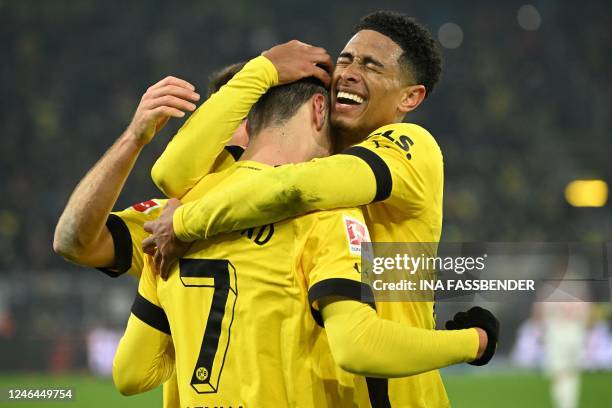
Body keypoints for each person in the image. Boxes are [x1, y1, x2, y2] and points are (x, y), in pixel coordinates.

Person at [143, 11, 482, 406]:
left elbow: (296, 190)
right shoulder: (288, 173)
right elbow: (170, 174)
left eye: (371, 65)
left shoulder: (411, 148)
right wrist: (263, 69)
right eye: (346, 59)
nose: (350, 72)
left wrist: (184, 222)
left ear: (410, 97)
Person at [52, 61, 252, 407]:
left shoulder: (333, 208)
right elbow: (71, 242)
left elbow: (377, 315)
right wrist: (133, 138)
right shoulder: (167, 221)